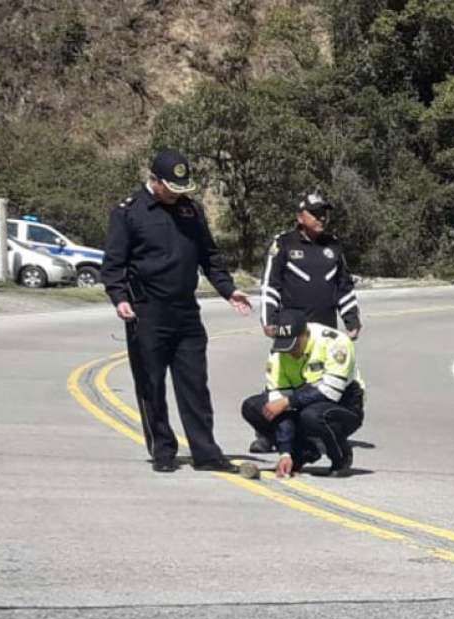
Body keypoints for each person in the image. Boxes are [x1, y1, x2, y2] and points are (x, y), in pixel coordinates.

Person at [101, 148, 252, 473]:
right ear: (155, 180)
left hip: (186, 312)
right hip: (146, 312)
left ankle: (206, 452)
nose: (177, 194)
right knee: (151, 384)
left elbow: (209, 257)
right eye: (172, 187)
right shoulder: (129, 212)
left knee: (195, 385)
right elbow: (113, 264)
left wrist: (228, 290)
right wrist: (120, 298)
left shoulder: (191, 212)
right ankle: (163, 450)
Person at [252, 191, 361, 453]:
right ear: (300, 216)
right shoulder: (284, 244)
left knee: (319, 382)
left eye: (325, 212)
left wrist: (351, 318)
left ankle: (314, 431)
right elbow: (271, 285)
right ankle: (267, 433)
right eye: (316, 213)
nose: (322, 217)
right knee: (281, 378)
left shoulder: (333, 245)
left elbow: (343, 285)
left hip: (325, 328)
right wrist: (269, 319)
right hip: (292, 327)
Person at [240, 309, 365, 479]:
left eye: (294, 346)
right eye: (285, 347)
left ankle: (340, 457)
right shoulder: (278, 353)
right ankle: (302, 452)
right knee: (253, 407)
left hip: (343, 403)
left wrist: (288, 402)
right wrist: (285, 452)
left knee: (311, 415)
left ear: (305, 334)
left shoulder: (336, 343)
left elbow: (331, 391)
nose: (290, 353)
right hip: (301, 401)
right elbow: (279, 408)